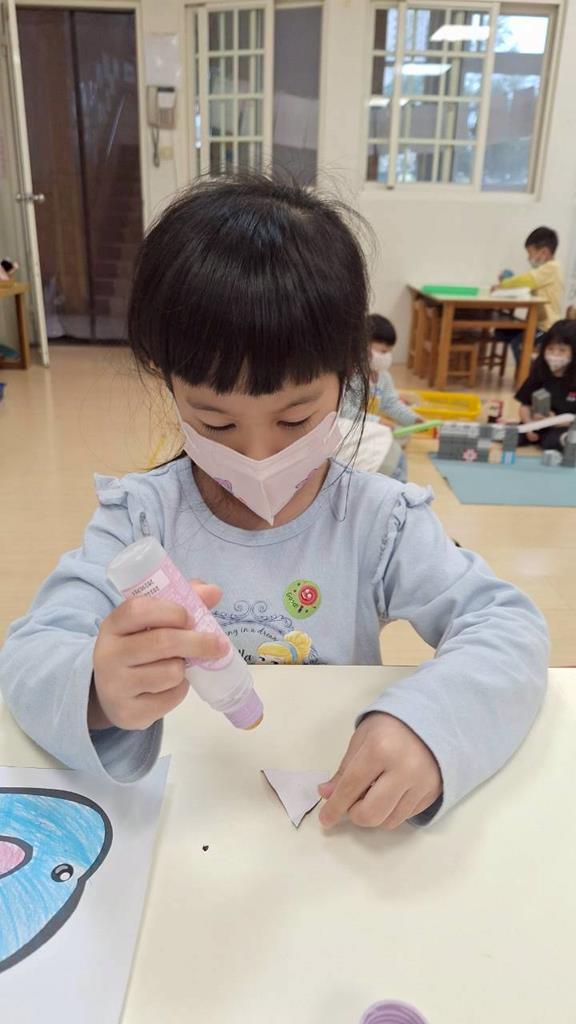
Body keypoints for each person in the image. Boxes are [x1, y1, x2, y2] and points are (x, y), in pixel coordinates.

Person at [0, 176, 548, 832]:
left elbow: (507, 626)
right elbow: (31, 655)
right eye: (216, 423)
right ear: (168, 387)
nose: (258, 456)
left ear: (349, 380)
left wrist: (431, 727)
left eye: (294, 419)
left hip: (327, 824)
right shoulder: (140, 519)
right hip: (187, 823)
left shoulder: (380, 521)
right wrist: (96, 687)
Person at [340, 314, 421, 482]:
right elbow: (345, 412)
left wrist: (413, 419)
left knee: (400, 436)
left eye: (389, 352)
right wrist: (379, 422)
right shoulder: (352, 376)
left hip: (372, 429)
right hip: (352, 431)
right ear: (361, 346)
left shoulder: (384, 377)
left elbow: (391, 403)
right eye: (383, 351)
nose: (387, 356)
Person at [494, 226, 564, 364]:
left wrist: (504, 284)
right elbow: (526, 285)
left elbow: (527, 280)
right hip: (536, 324)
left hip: (546, 328)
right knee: (501, 332)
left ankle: (529, 373)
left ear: (544, 252)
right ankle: (529, 366)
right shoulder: (544, 271)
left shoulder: (552, 268)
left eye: (530, 253)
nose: (529, 258)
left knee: (519, 343)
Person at [516, 319, 576, 451]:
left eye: (562, 350)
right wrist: (529, 425)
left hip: (565, 426)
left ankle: (563, 440)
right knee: (514, 435)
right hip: (537, 423)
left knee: (553, 442)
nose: (555, 354)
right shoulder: (540, 372)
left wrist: (555, 421)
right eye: (550, 349)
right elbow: (524, 405)